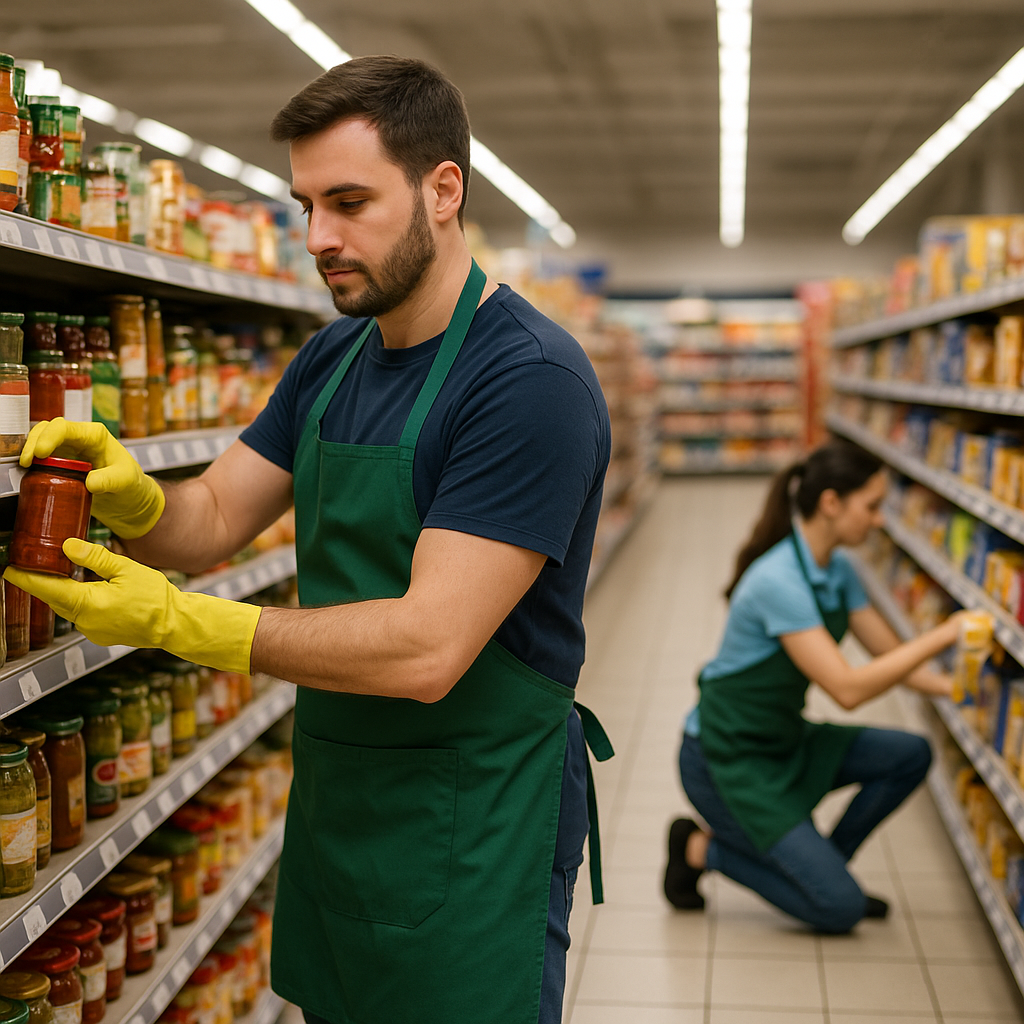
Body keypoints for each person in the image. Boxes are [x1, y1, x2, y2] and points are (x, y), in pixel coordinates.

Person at [7, 55, 613, 1024]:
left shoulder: (526, 379)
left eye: (349, 201)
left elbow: (427, 648)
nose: (319, 239)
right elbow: (210, 518)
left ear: (442, 189)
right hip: (345, 793)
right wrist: (131, 499)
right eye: (305, 206)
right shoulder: (337, 354)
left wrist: (179, 623)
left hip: (474, 814)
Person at [664, 440, 962, 933]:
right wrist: (944, 636)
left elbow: (889, 656)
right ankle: (699, 848)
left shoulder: (837, 569)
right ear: (830, 503)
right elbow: (845, 689)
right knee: (838, 910)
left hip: (781, 738)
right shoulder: (778, 581)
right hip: (725, 758)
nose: (880, 520)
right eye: (872, 507)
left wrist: (952, 688)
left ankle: (824, 869)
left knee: (910, 754)